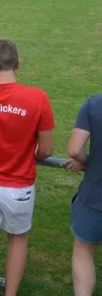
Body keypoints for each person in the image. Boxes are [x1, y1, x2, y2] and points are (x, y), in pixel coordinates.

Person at [0, 39, 54, 296]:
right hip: (19, 185)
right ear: (18, 64)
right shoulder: (38, 98)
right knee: (17, 240)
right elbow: (46, 150)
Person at [65, 94, 102, 296]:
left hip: (95, 194)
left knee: (84, 250)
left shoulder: (95, 103)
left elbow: (74, 149)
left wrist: (87, 161)